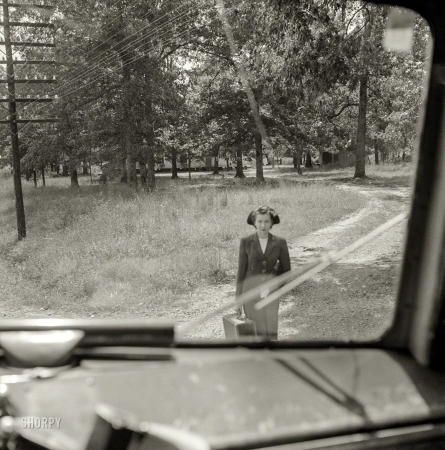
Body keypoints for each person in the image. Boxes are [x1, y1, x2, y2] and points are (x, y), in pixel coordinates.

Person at [235, 206, 291, 339]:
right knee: (255, 333)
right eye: (259, 221)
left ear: (272, 223)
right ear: (254, 222)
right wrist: (238, 300)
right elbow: (241, 272)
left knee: (270, 333)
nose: (263, 225)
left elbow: (286, 271)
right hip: (250, 294)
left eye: (266, 221)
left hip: (271, 296)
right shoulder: (246, 242)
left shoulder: (280, 243)